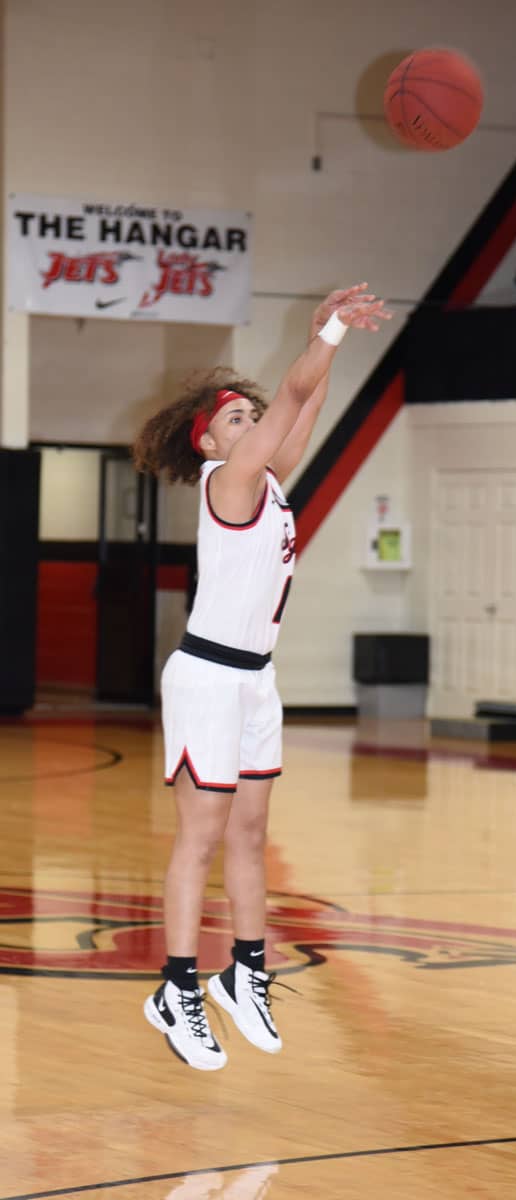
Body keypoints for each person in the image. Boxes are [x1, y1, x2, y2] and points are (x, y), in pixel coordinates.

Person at [133, 283, 391, 1071]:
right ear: (211, 445)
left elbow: (301, 406)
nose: (254, 421)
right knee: (201, 836)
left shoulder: (272, 481)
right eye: (236, 418)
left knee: (250, 833)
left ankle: (246, 970)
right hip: (208, 676)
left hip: (255, 680)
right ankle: (176, 988)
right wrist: (336, 331)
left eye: (253, 414)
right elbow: (293, 392)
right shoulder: (229, 485)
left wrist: (322, 345)